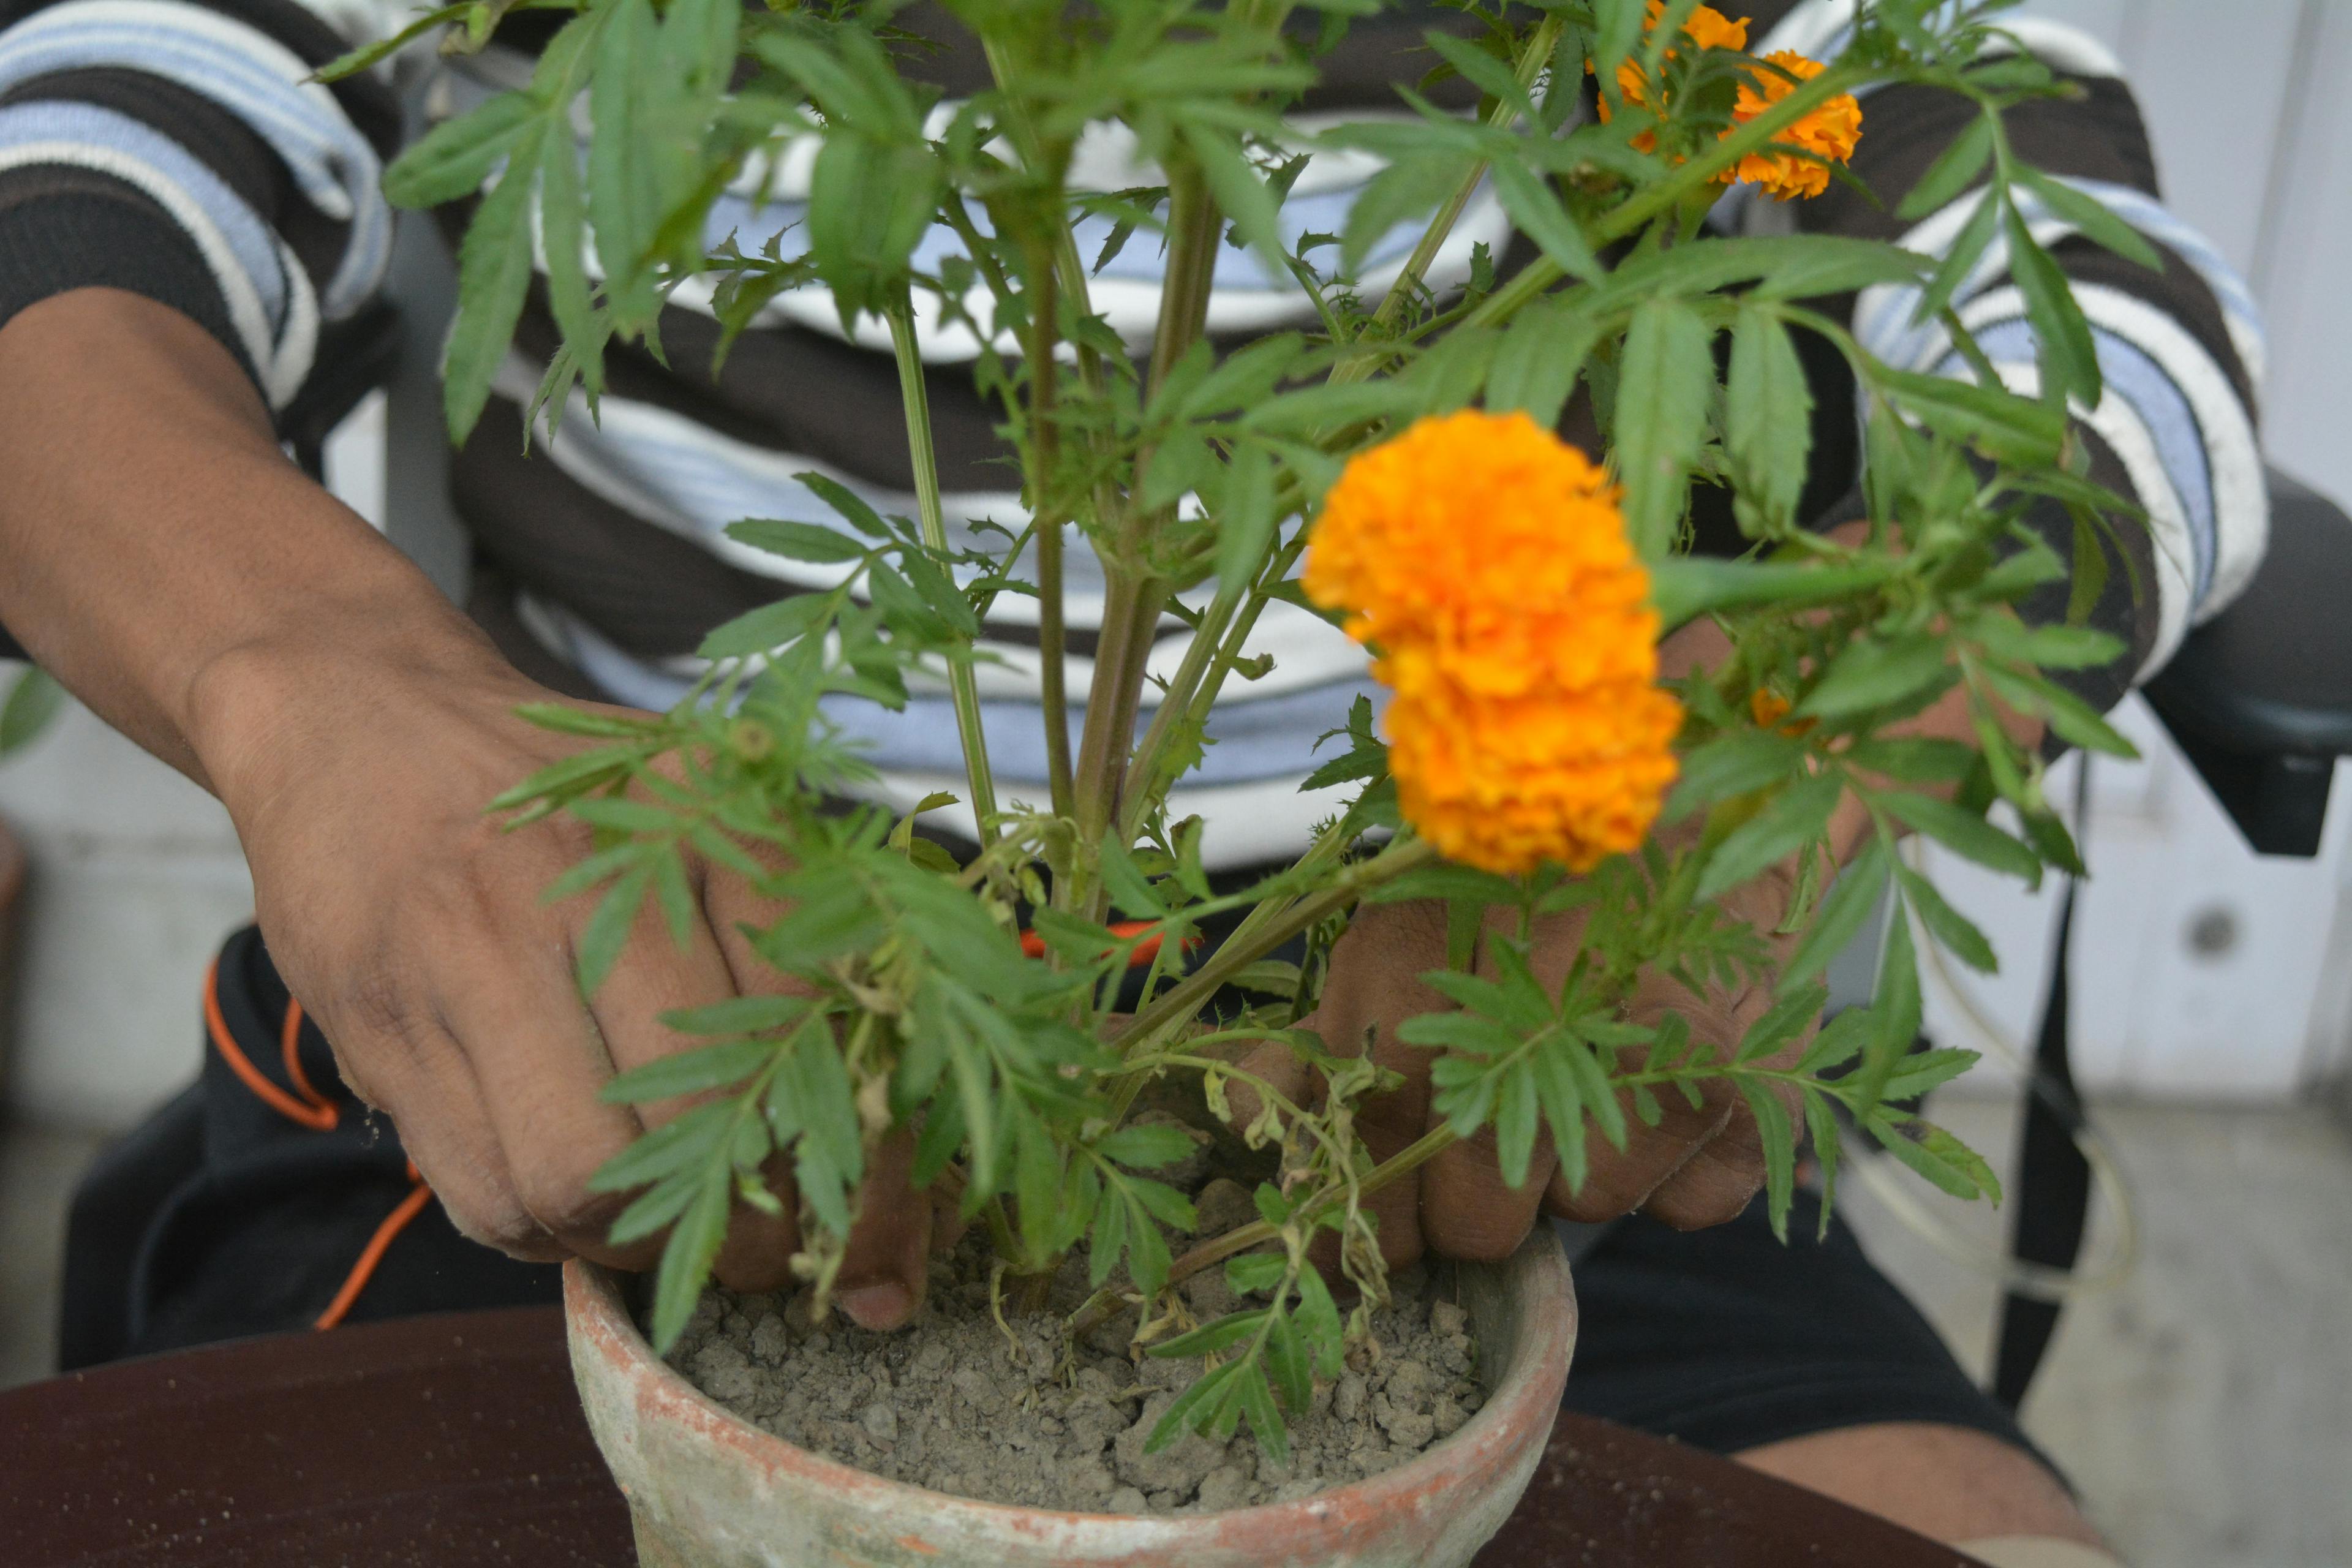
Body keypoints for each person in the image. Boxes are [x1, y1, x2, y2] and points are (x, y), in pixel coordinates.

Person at [0, 0, 2261, 1561]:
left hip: (1451, 1079)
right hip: (634, 1030)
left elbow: (2091, 312)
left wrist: (1779, 766)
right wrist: (309, 670)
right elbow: (82, 171)